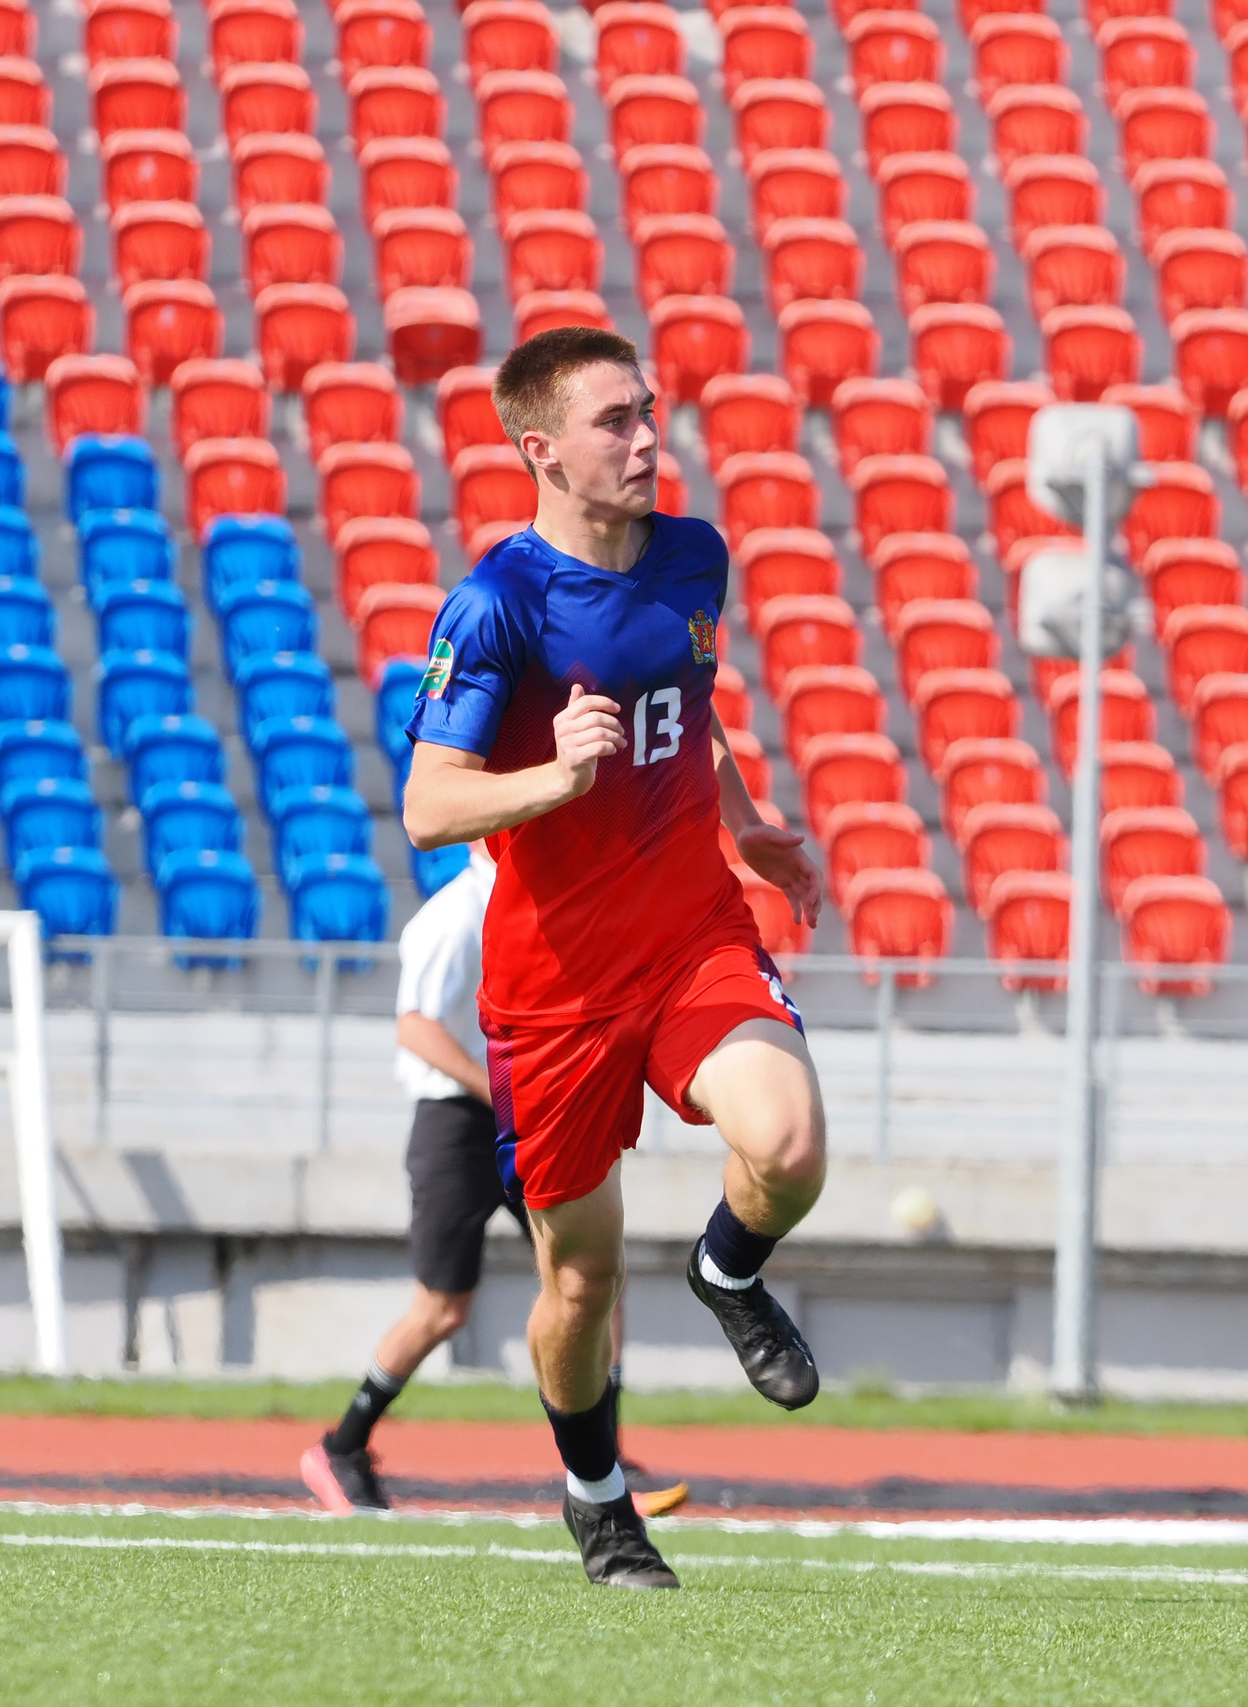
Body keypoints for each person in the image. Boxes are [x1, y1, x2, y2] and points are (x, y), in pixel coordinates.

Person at [401, 326, 829, 1589]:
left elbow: (686, 709)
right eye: (616, 422)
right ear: (541, 450)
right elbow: (428, 806)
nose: (648, 439)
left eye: (648, 412)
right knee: (580, 1285)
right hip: (555, 991)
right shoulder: (497, 604)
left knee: (788, 1145)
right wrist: (554, 777)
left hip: (691, 936)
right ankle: (597, 1499)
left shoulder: (694, 557)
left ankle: (725, 1270)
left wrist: (744, 824)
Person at [299, 842, 687, 1520]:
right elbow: (416, 1029)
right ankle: (342, 1446)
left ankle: (607, 1461)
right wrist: (502, 1091)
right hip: (456, 1126)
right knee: (441, 1309)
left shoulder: (524, 903)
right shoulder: (457, 912)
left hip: (516, 1118)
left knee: (593, 1277)